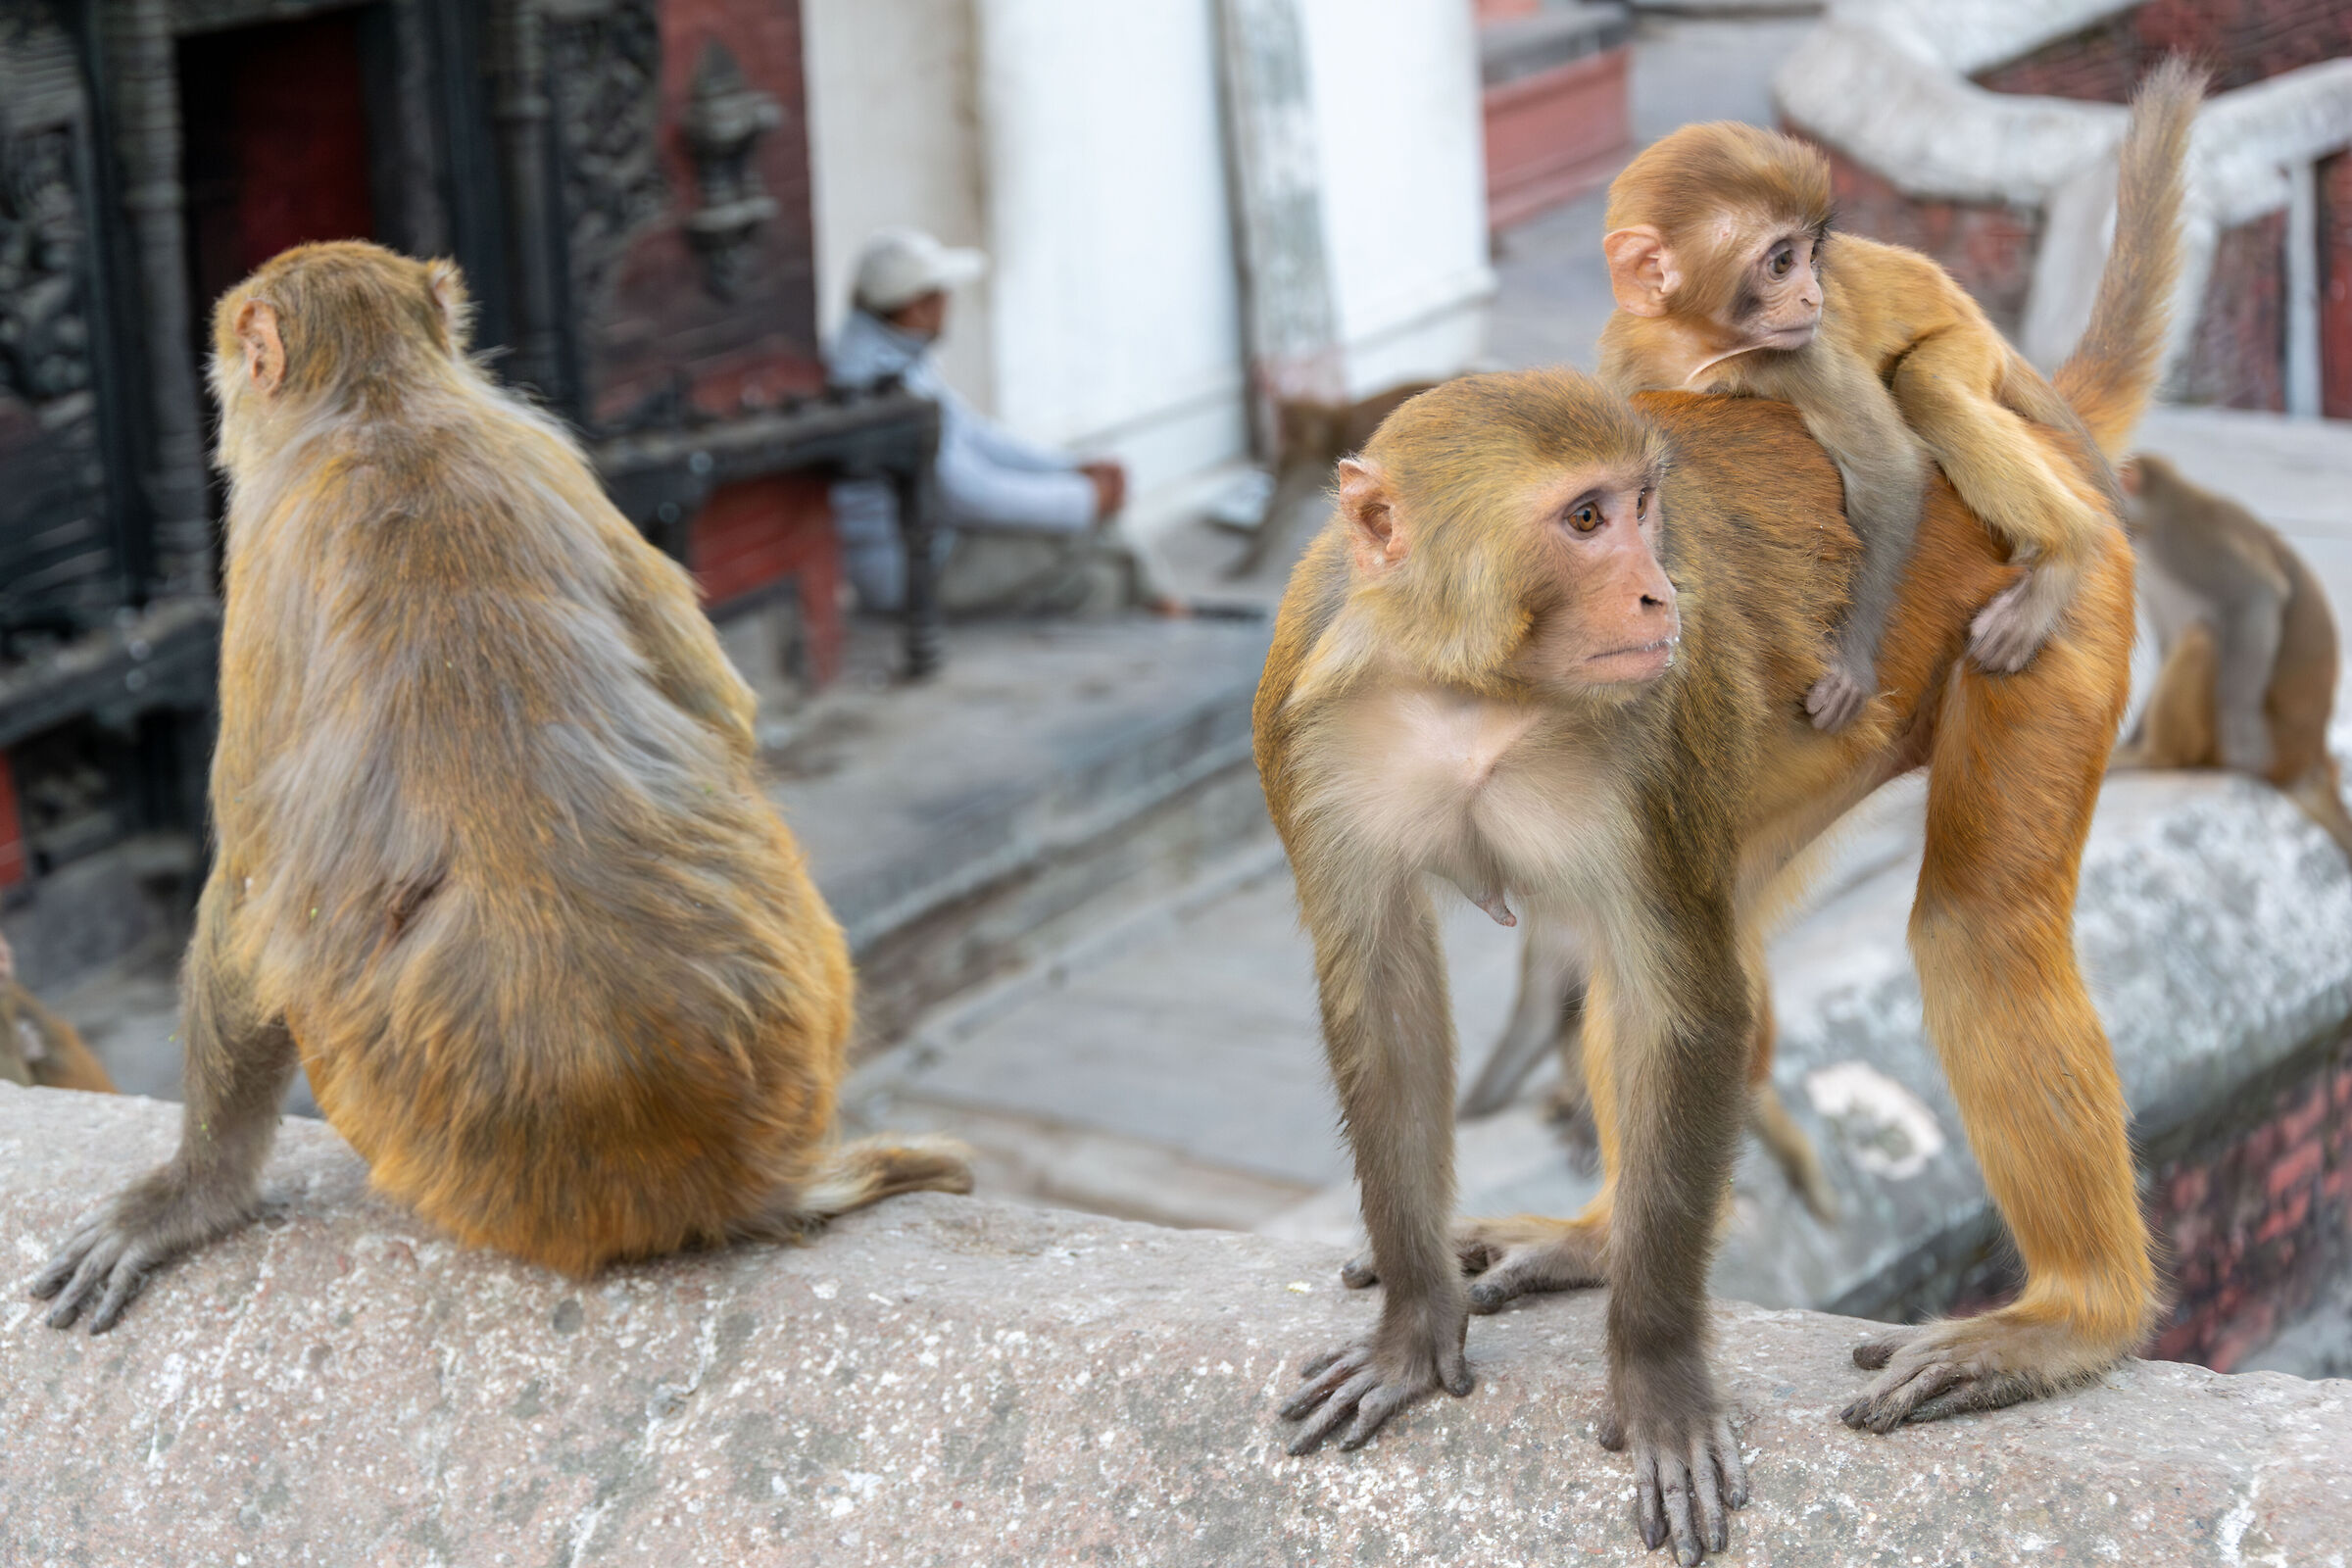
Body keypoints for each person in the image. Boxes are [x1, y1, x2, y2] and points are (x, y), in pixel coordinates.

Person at [827, 226, 1167, 616]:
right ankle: (1172, 606)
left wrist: (1070, 468)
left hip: (936, 545)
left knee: (1098, 584)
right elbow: (965, 494)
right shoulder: (880, 380)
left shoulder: (888, 355)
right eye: (941, 296)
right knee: (1094, 536)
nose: (949, 305)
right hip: (917, 568)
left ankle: (1166, 605)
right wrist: (1086, 497)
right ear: (916, 307)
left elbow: (975, 436)